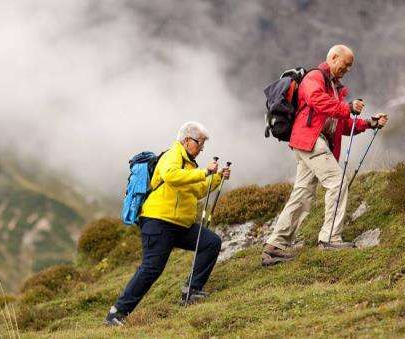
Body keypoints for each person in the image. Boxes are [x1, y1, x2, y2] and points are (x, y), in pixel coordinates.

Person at [262, 45, 389, 266]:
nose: (347, 69)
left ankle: (274, 246)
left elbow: (343, 122)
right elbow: (315, 100)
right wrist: (347, 106)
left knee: (301, 194)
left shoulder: (335, 89)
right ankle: (330, 238)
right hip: (311, 140)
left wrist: (369, 122)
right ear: (333, 57)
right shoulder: (315, 77)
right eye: (345, 64)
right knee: (338, 182)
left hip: (309, 142)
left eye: (350, 66)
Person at [105, 121, 231, 326]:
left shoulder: (190, 165)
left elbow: (197, 191)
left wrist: (216, 178)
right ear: (187, 140)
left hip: (180, 224)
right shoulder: (173, 154)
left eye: (203, 145)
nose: (201, 149)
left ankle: (191, 291)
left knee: (210, 243)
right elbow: (171, 177)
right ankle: (116, 313)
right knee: (151, 268)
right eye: (199, 143)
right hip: (159, 221)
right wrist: (204, 173)